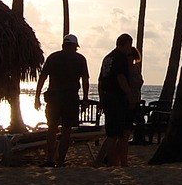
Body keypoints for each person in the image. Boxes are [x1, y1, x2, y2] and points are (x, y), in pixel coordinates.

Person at [34, 34, 89, 167]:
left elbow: (42, 78)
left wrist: (37, 97)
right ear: (75, 47)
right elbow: (85, 80)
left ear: (63, 45)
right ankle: (60, 161)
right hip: (70, 97)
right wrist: (85, 99)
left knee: (51, 129)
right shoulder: (80, 59)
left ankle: (50, 159)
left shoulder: (53, 57)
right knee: (66, 130)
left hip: (54, 97)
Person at [95, 33, 138, 166]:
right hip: (117, 97)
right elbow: (121, 78)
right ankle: (100, 162)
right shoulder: (120, 57)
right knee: (114, 134)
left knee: (114, 133)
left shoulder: (107, 58)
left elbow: (101, 80)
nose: (130, 48)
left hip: (108, 96)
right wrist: (130, 96)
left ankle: (108, 162)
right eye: (129, 45)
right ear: (125, 44)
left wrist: (102, 98)